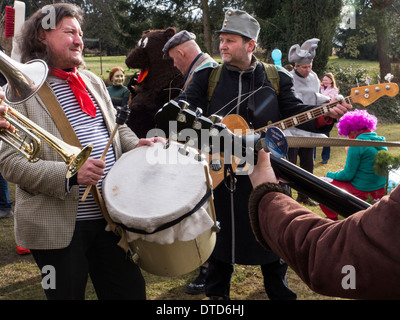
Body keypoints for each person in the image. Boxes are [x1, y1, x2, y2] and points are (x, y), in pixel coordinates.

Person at [173, 8, 351, 300]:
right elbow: (182, 113)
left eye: (230, 40)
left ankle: (279, 292)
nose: (222, 46)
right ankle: (218, 299)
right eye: (222, 40)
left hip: (267, 172)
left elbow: (296, 113)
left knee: (275, 236)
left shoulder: (275, 76)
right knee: (219, 248)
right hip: (220, 176)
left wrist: (324, 116)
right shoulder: (207, 77)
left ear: (250, 45)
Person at [0, 3, 162, 300]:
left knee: (130, 292)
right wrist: (70, 175)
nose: (79, 40)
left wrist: (134, 143)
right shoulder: (18, 90)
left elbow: (115, 127)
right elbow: (10, 164)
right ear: (42, 37)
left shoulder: (91, 81)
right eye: (69, 32)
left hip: (109, 219)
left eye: (80, 33)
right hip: (55, 229)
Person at [248, 149, 400, 299]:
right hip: (376, 193)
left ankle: (334, 218)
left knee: (328, 181)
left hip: (360, 192)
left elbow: (328, 257)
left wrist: (266, 192)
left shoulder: (356, 148)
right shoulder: (381, 145)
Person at [162, 30, 216, 295]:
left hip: (206, 154)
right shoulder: (209, 68)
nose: (175, 65)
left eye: (174, 59)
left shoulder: (203, 71)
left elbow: (181, 111)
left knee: (202, 209)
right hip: (210, 151)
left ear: (181, 53)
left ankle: (208, 270)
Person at [319, 109, 388, 220]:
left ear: (352, 129)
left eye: (347, 132)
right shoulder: (379, 142)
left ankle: (333, 219)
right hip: (379, 191)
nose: (347, 135)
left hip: (363, 191)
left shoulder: (356, 144)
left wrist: (330, 174)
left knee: (321, 183)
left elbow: (347, 175)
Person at [286, 38, 331, 206]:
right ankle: (287, 195)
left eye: (309, 67)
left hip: (309, 128)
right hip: (292, 129)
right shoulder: (289, 79)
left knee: (307, 166)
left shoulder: (313, 77)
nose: (307, 70)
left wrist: (328, 100)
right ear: (296, 66)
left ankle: (304, 195)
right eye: (304, 67)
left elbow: (315, 96)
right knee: (289, 165)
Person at [319, 72, 339, 164]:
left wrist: (319, 98)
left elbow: (330, 99)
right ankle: (313, 156)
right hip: (317, 113)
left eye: (326, 80)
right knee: (312, 135)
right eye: (323, 80)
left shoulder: (334, 90)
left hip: (327, 114)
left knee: (326, 136)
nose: (324, 81)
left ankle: (325, 157)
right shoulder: (319, 87)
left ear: (331, 80)